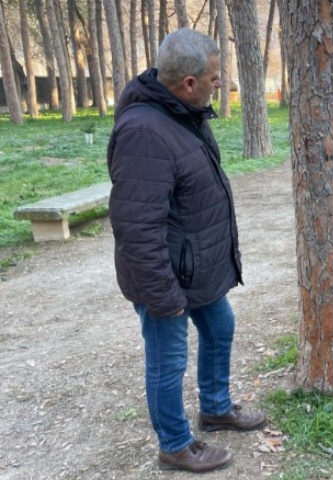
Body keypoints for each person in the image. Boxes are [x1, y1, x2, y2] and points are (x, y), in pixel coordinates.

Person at [107, 28, 266, 473]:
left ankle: (215, 407)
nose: (220, 85)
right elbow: (136, 227)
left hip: (195, 268)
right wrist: (163, 296)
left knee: (220, 327)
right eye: (214, 78)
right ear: (189, 82)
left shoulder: (180, 114)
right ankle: (174, 445)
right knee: (168, 359)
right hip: (166, 278)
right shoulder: (144, 132)